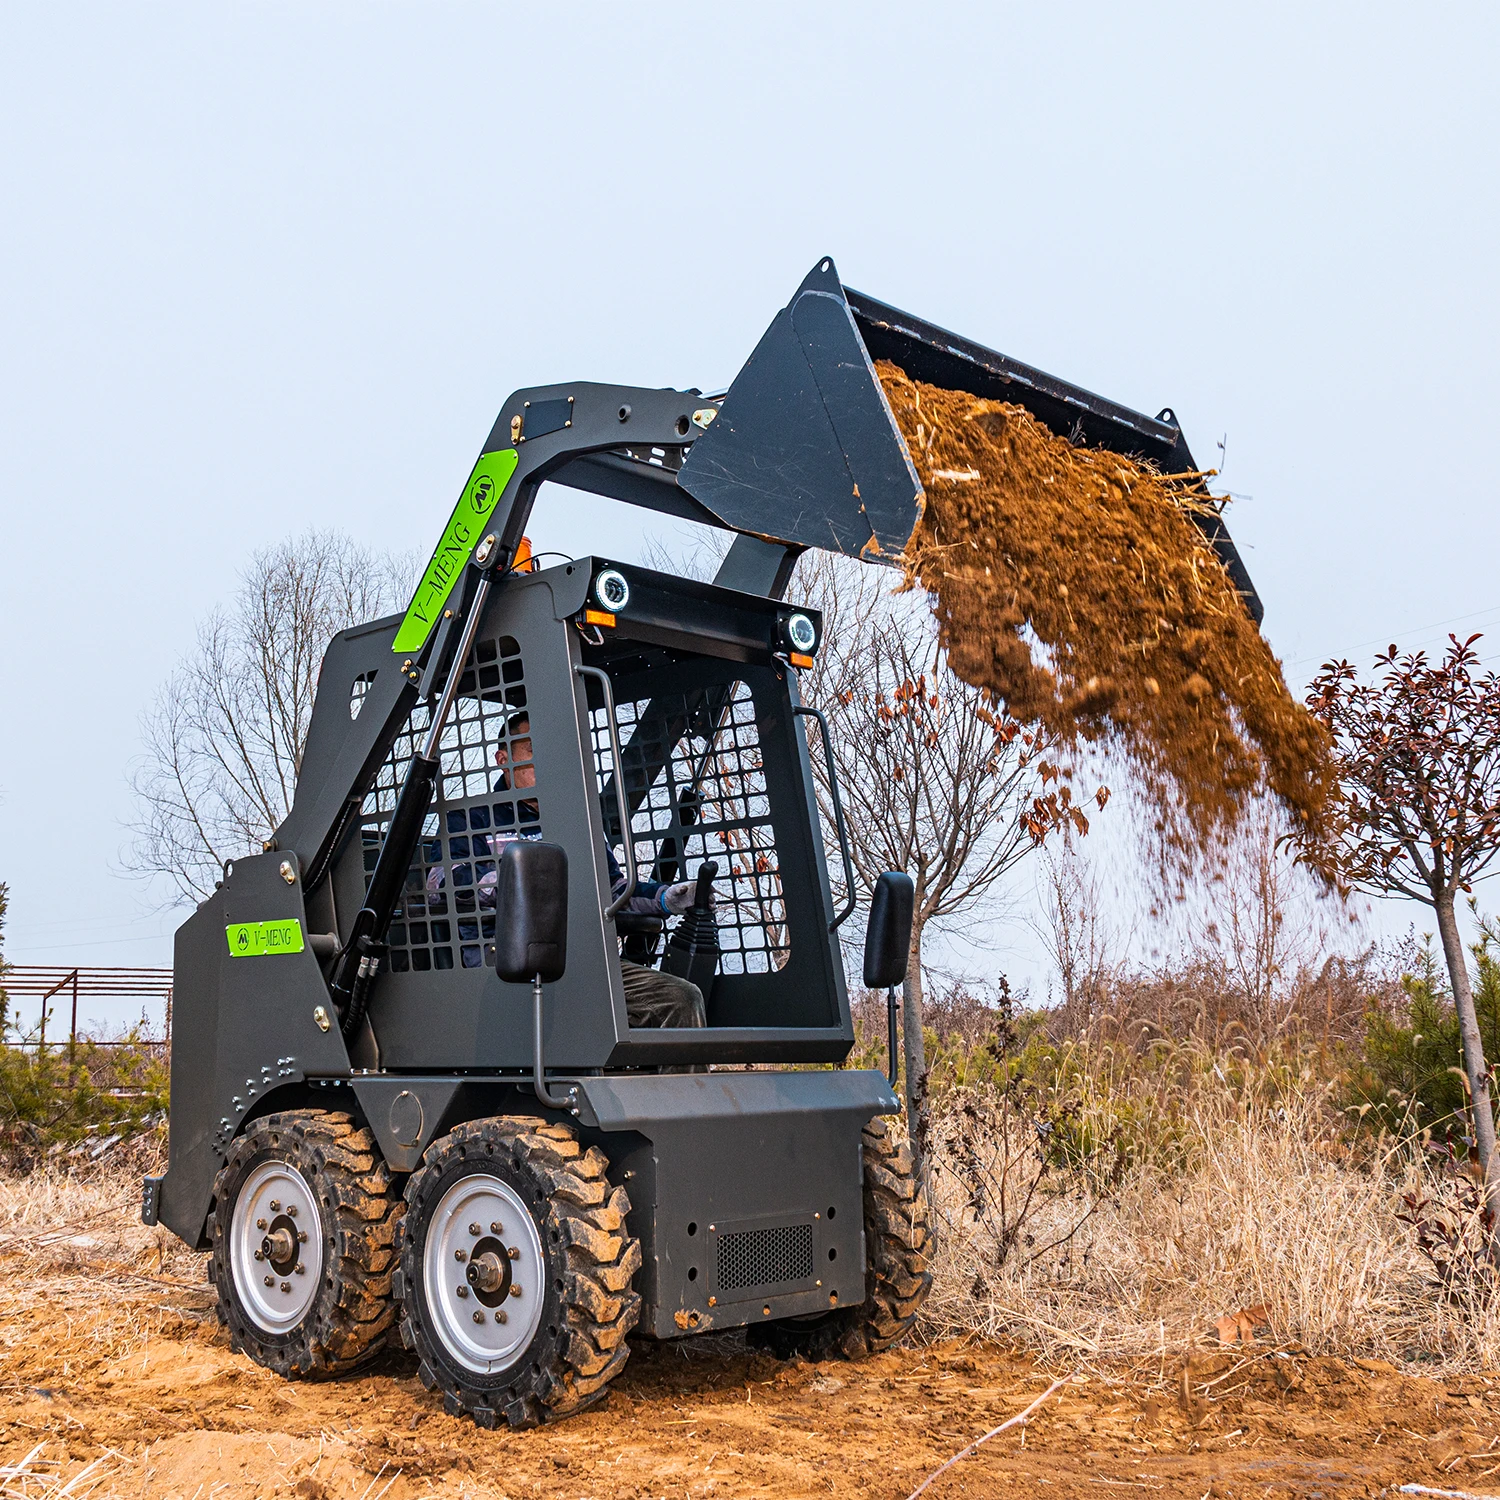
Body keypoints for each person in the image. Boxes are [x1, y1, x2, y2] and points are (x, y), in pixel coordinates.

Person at [428, 711, 709, 1028]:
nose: (546, 761)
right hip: (505, 962)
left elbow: (613, 888)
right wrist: (511, 884)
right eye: (534, 750)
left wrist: (666, 898)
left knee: (682, 999)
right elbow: (443, 884)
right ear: (502, 758)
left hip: (579, 957)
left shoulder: (577, 819)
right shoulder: (470, 818)